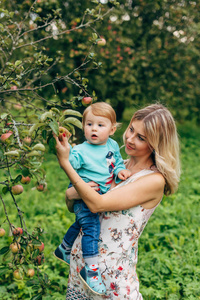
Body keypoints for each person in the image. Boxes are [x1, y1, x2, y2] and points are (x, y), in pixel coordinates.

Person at [54, 103, 180, 300]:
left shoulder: (153, 180)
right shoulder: (117, 165)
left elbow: (97, 204)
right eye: (131, 129)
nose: (129, 139)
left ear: (155, 143)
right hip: (82, 270)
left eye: (141, 138)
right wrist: (70, 196)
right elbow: (78, 208)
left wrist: (65, 163)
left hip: (111, 278)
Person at [54, 102, 131, 295]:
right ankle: (91, 270)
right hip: (83, 193)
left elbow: (118, 161)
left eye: (100, 125)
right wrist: (66, 150)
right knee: (91, 227)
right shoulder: (80, 150)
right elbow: (70, 164)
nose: (94, 129)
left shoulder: (112, 145)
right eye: (89, 124)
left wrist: (120, 170)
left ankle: (64, 249)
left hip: (97, 194)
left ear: (112, 129)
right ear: (83, 127)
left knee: (83, 223)